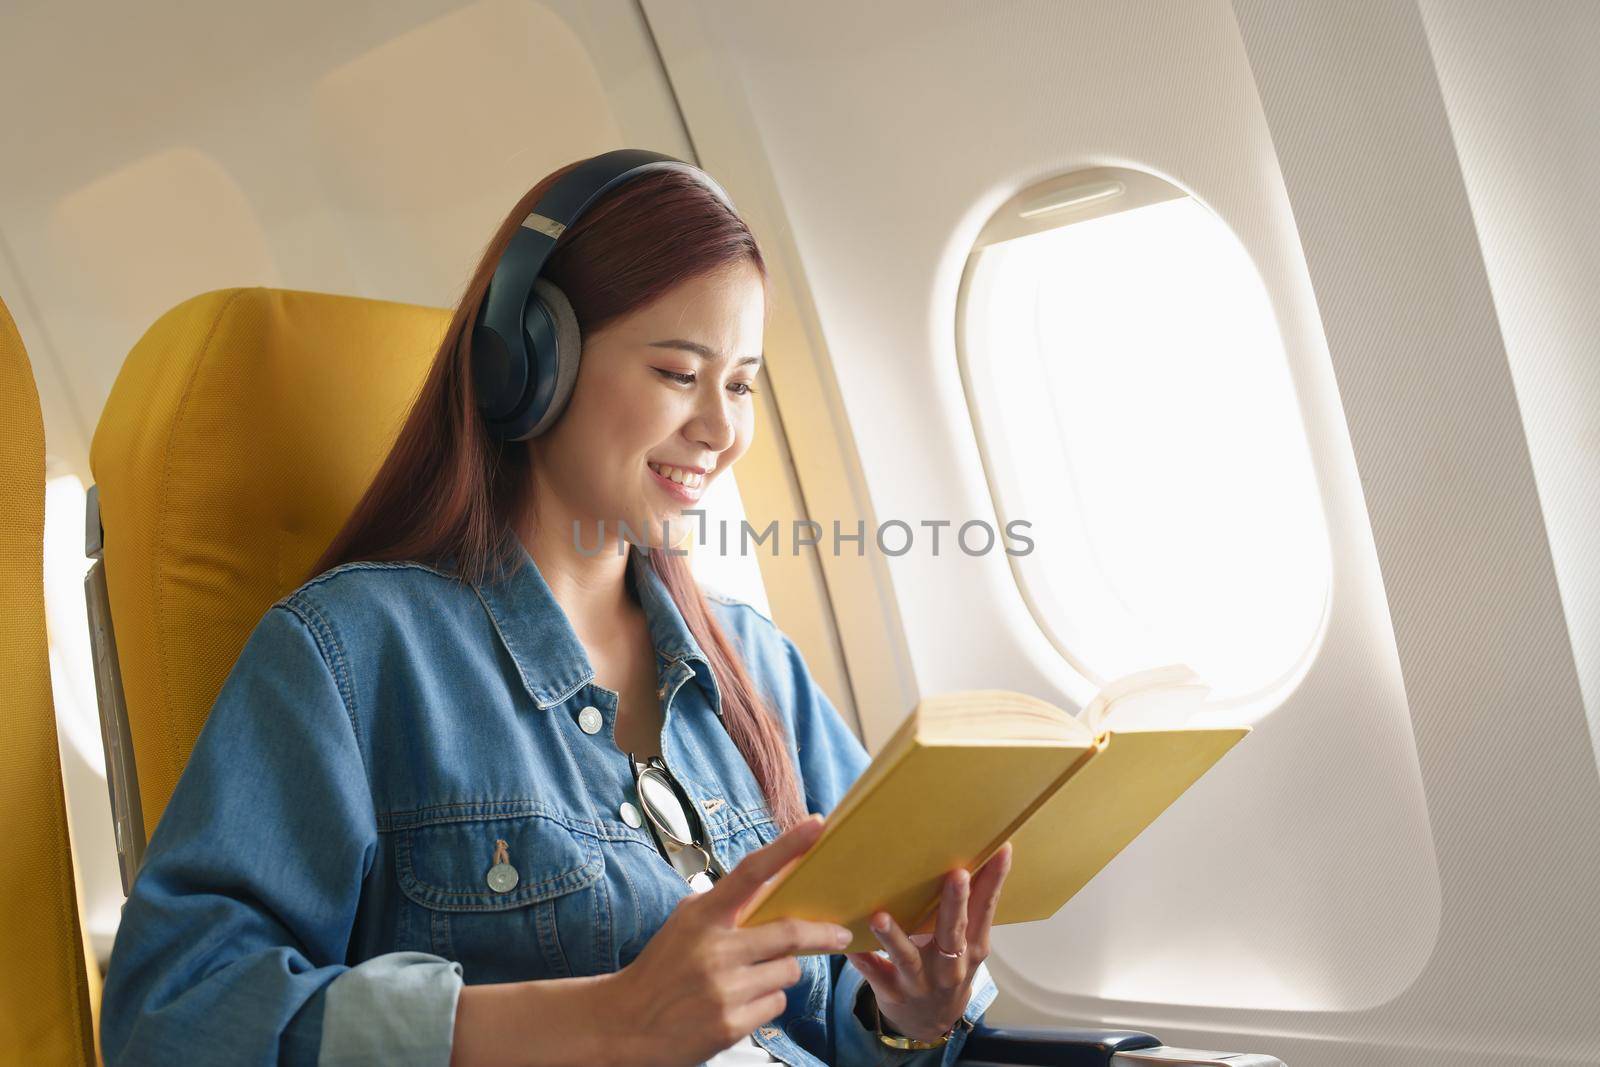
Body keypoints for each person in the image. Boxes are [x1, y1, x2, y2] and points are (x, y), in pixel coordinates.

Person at [99, 153, 1012, 1066]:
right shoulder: (353, 654)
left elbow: (853, 995)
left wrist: (909, 1013)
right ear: (529, 363)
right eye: (675, 371)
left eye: (738, 384)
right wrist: (611, 1019)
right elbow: (173, 1014)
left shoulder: (757, 666)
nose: (722, 430)